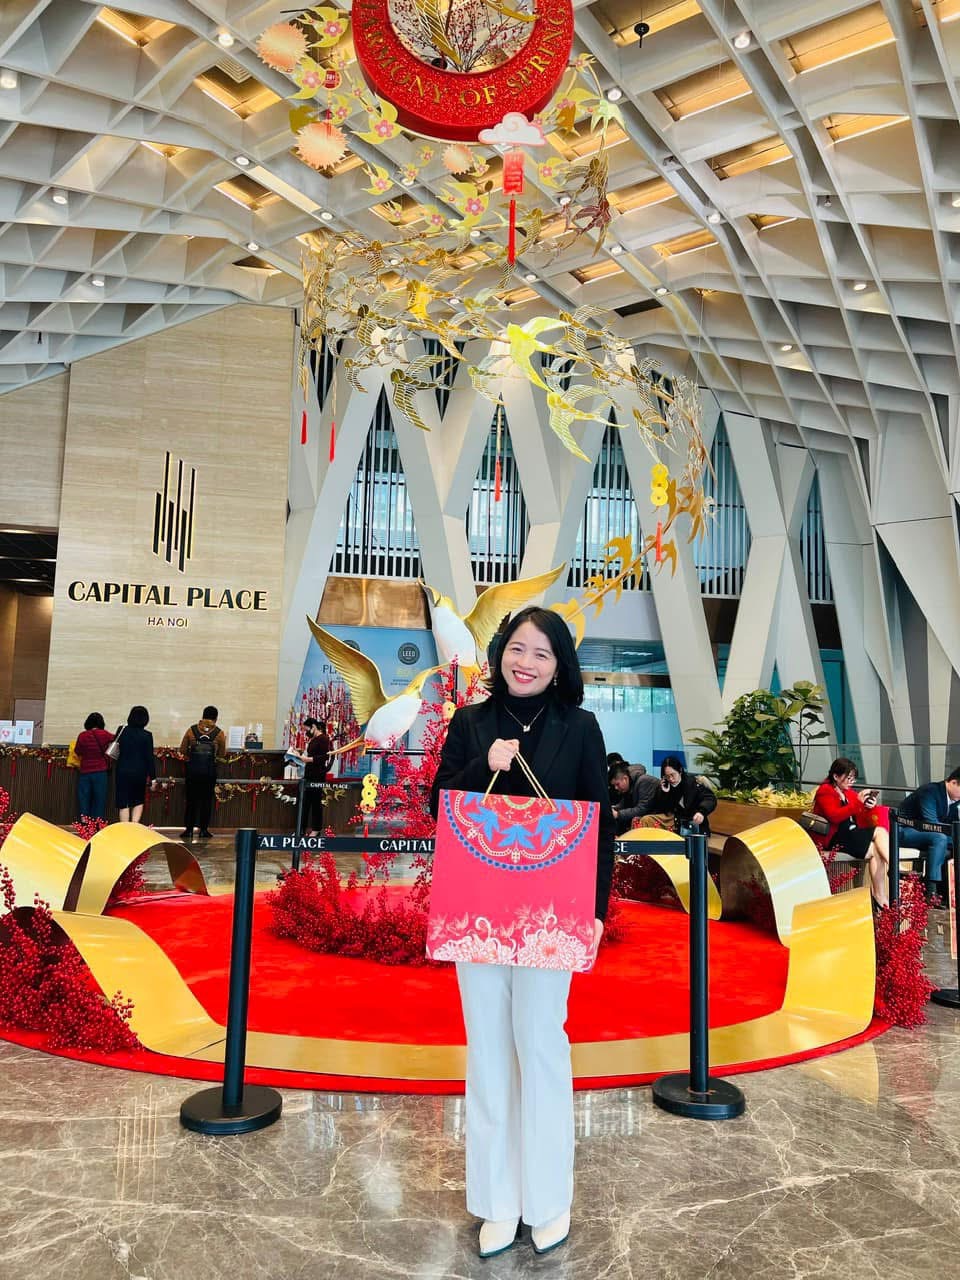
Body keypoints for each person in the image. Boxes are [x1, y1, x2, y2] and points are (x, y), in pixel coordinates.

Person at [431, 606, 614, 1260]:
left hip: (552, 915)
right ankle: (498, 1201)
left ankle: (548, 1199)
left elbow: (600, 824)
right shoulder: (471, 723)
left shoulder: (580, 728)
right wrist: (484, 762)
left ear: (559, 665)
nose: (525, 661)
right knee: (487, 1049)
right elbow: (438, 805)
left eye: (541, 652)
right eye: (516, 648)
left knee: (540, 1044)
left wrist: (596, 911)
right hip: (478, 909)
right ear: (500, 654)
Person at [813, 757, 889, 908]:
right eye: (848, 778)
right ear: (836, 776)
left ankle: (879, 895)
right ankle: (892, 867)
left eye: (853, 778)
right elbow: (834, 816)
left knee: (876, 849)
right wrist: (858, 803)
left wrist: (869, 806)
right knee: (879, 832)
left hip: (850, 834)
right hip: (834, 838)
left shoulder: (847, 792)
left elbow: (860, 814)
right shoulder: (825, 791)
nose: (851, 782)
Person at [898, 767, 960, 899]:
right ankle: (931, 890)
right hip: (905, 830)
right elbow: (931, 824)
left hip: (927, 834)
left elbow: (954, 826)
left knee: (948, 846)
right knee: (940, 838)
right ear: (954, 782)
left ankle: (946, 892)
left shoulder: (954, 801)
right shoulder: (929, 791)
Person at [179, 707, 227, 841]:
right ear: (216, 718)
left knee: (191, 800)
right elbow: (222, 754)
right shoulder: (219, 733)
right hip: (209, 772)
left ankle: (189, 830)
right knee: (206, 801)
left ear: (203, 716)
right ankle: (203, 830)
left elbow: (183, 750)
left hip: (193, 772)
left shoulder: (191, 730)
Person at [114, 705, 157, 824]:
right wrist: (153, 778)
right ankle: (134, 827)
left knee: (124, 802)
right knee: (138, 800)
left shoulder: (122, 730)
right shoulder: (147, 735)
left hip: (122, 770)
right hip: (139, 772)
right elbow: (149, 758)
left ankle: (124, 829)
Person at [654, 756, 717, 834]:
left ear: (680, 771)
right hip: (673, 822)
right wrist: (664, 793)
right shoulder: (665, 787)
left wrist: (701, 812)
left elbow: (710, 798)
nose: (670, 779)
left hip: (692, 824)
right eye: (667, 776)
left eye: (673, 775)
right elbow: (662, 810)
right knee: (647, 820)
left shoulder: (693, 783)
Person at [74, 712, 115, 820]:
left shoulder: (82, 735)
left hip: (85, 771)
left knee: (84, 798)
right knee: (99, 799)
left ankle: (84, 822)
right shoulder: (105, 734)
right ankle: (97, 822)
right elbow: (116, 739)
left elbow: (78, 751)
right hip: (100, 772)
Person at [298, 717, 332, 836]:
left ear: (313, 726)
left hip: (317, 775)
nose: (306, 732)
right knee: (305, 803)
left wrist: (308, 759)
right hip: (309, 774)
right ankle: (301, 829)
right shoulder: (313, 739)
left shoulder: (323, 739)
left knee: (316, 803)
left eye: (307, 729)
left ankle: (316, 829)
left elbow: (324, 757)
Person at [608, 760, 662, 834]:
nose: (616, 788)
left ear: (625, 779)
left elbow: (642, 809)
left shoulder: (643, 781)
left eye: (617, 784)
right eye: (614, 785)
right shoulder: (630, 785)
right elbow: (623, 805)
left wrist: (618, 814)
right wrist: (612, 809)